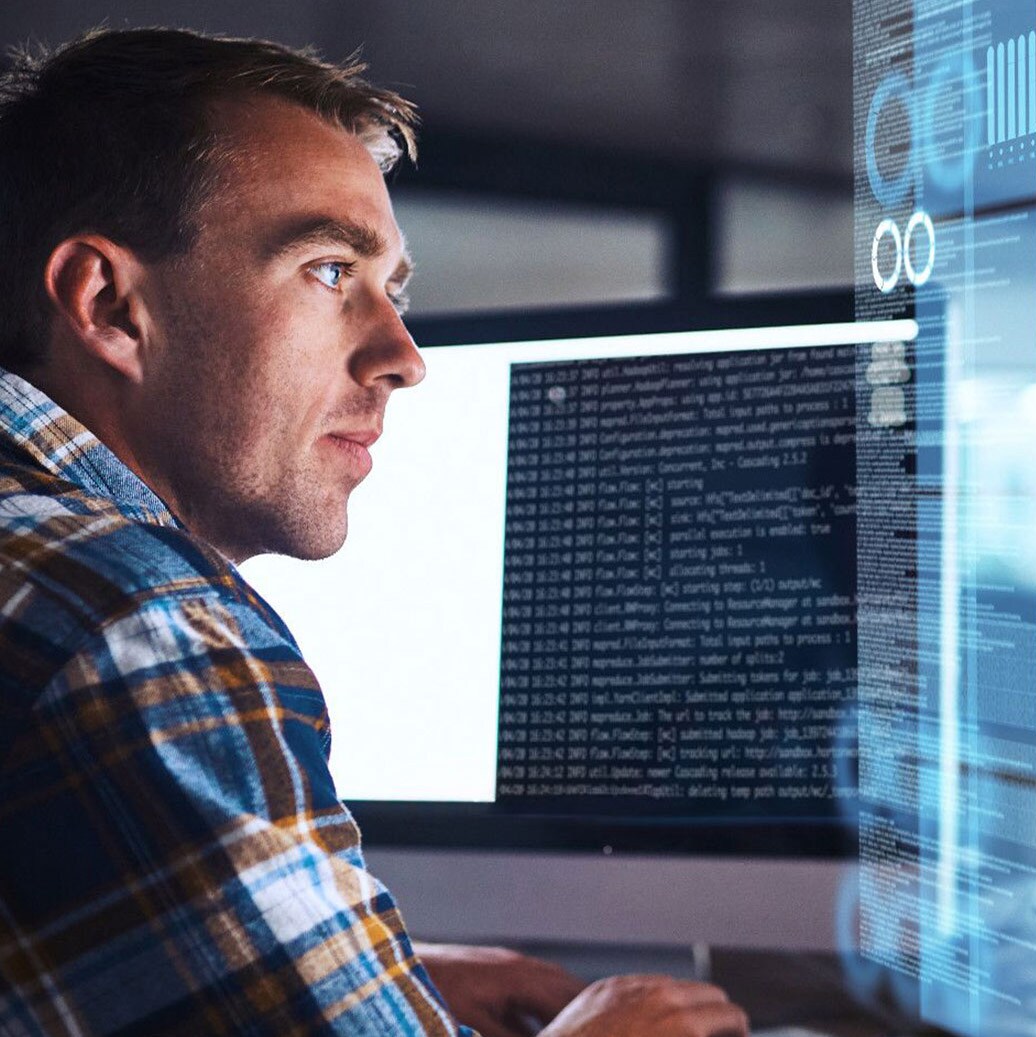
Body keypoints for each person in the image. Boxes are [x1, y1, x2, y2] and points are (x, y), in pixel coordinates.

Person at [0, 27, 748, 1037]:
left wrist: (361, 975)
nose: (403, 354)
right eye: (325, 270)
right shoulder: (137, 621)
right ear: (109, 304)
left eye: (392, 289)